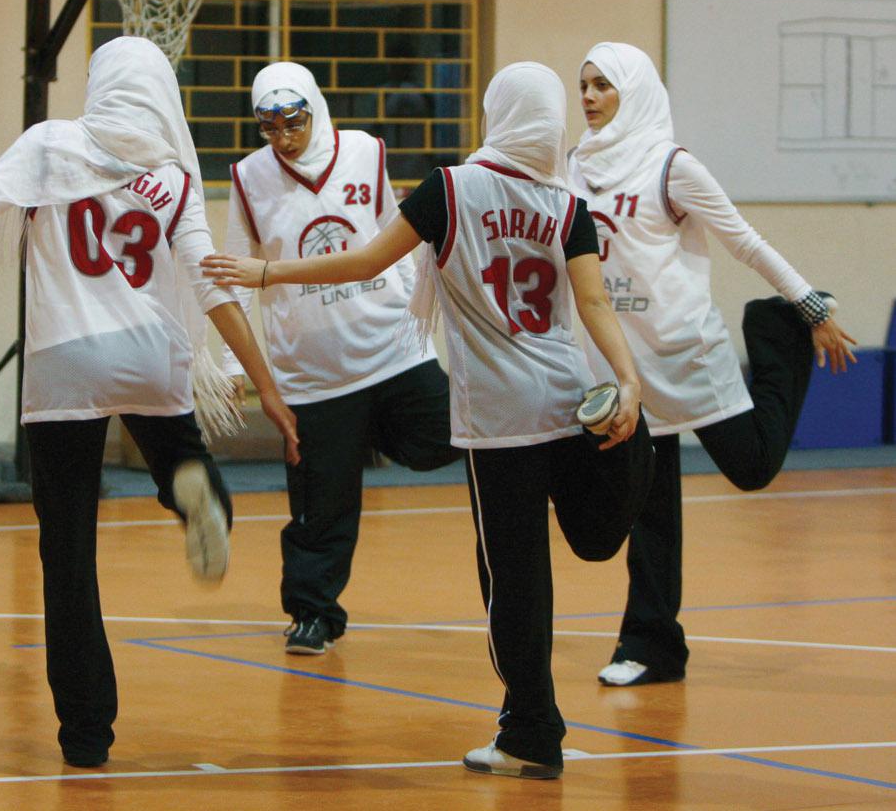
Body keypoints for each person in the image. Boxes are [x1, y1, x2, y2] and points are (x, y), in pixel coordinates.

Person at [203, 62, 655, 780]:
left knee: (515, 579)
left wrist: (267, 274)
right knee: (593, 540)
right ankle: (629, 470)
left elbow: (363, 263)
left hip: (501, 419)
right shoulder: (569, 205)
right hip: (572, 399)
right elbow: (595, 306)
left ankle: (530, 732)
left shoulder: (450, 188)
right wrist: (628, 381)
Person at [0, 36, 300, 769]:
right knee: (179, 457)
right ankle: (191, 491)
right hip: (147, 353)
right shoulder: (171, 172)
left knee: (66, 554)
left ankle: (86, 731)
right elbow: (209, 280)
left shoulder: (51, 145)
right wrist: (264, 385)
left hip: (64, 363)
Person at [569, 42, 857, 688]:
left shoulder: (673, 166)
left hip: (684, 350)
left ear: (635, 92)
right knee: (649, 510)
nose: (587, 97)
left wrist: (808, 306)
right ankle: (651, 646)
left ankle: (776, 332)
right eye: (583, 85)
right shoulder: (574, 167)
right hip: (623, 361)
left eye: (603, 86)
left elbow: (745, 240)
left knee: (752, 470)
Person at [220, 62, 460, 656]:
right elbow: (232, 277)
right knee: (319, 508)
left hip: (392, 349)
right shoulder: (249, 179)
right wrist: (230, 369)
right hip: (312, 375)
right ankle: (313, 613)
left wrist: (421, 323)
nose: (282, 136)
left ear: (314, 107)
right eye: (268, 126)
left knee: (452, 436)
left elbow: (394, 238)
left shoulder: (364, 152)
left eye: (292, 121)